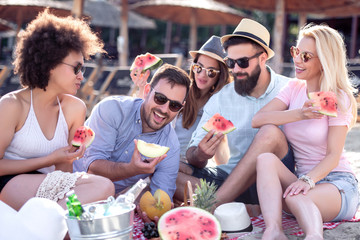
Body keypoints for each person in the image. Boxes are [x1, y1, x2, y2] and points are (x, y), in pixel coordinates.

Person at [175, 18, 295, 212]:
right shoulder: (221, 98)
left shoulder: (290, 88)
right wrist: (200, 154)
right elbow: (193, 154)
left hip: (277, 181)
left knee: (270, 132)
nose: (236, 69)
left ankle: (213, 204)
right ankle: (245, 207)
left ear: (263, 58)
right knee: (168, 172)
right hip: (230, 180)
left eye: (243, 62)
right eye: (231, 62)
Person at [0, 10, 115, 211]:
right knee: (102, 186)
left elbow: (63, 174)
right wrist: (50, 159)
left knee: (94, 197)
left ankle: (45, 227)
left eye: (83, 69)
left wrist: (68, 157)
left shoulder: (75, 108)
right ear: (50, 64)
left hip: (48, 187)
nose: (81, 76)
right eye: (76, 68)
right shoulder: (12, 105)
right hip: (7, 185)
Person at [252, 24, 359, 239]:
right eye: (296, 52)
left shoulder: (338, 97)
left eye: (307, 56)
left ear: (325, 61)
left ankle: (314, 236)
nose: (297, 60)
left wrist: (308, 181)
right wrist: (300, 114)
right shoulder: (294, 88)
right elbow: (258, 119)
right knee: (265, 159)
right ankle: (274, 231)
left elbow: (333, 155)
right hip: (303, 181)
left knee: (293, 198)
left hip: (336, 182)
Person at [73, 64, 190, 202]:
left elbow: (161, 196)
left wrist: (156, 210)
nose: (164, 109)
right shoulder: (112, 109)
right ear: (147, 91)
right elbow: (92, 168)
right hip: (71, 183)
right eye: (160, 98)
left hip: (111, 203)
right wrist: (132, 169)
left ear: (181, 108)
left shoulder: (171, 145)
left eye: (174, 105)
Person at [130, 36, 232, 165]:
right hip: (160, 156)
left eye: (211, 72)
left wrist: (227, 177)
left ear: (220, 75)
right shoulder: (180, 92)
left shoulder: (219, 105)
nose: (202, 75)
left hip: (191, 165)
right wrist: (141, 86)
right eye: (198, 68)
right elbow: (145, 115)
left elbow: (220, 146)